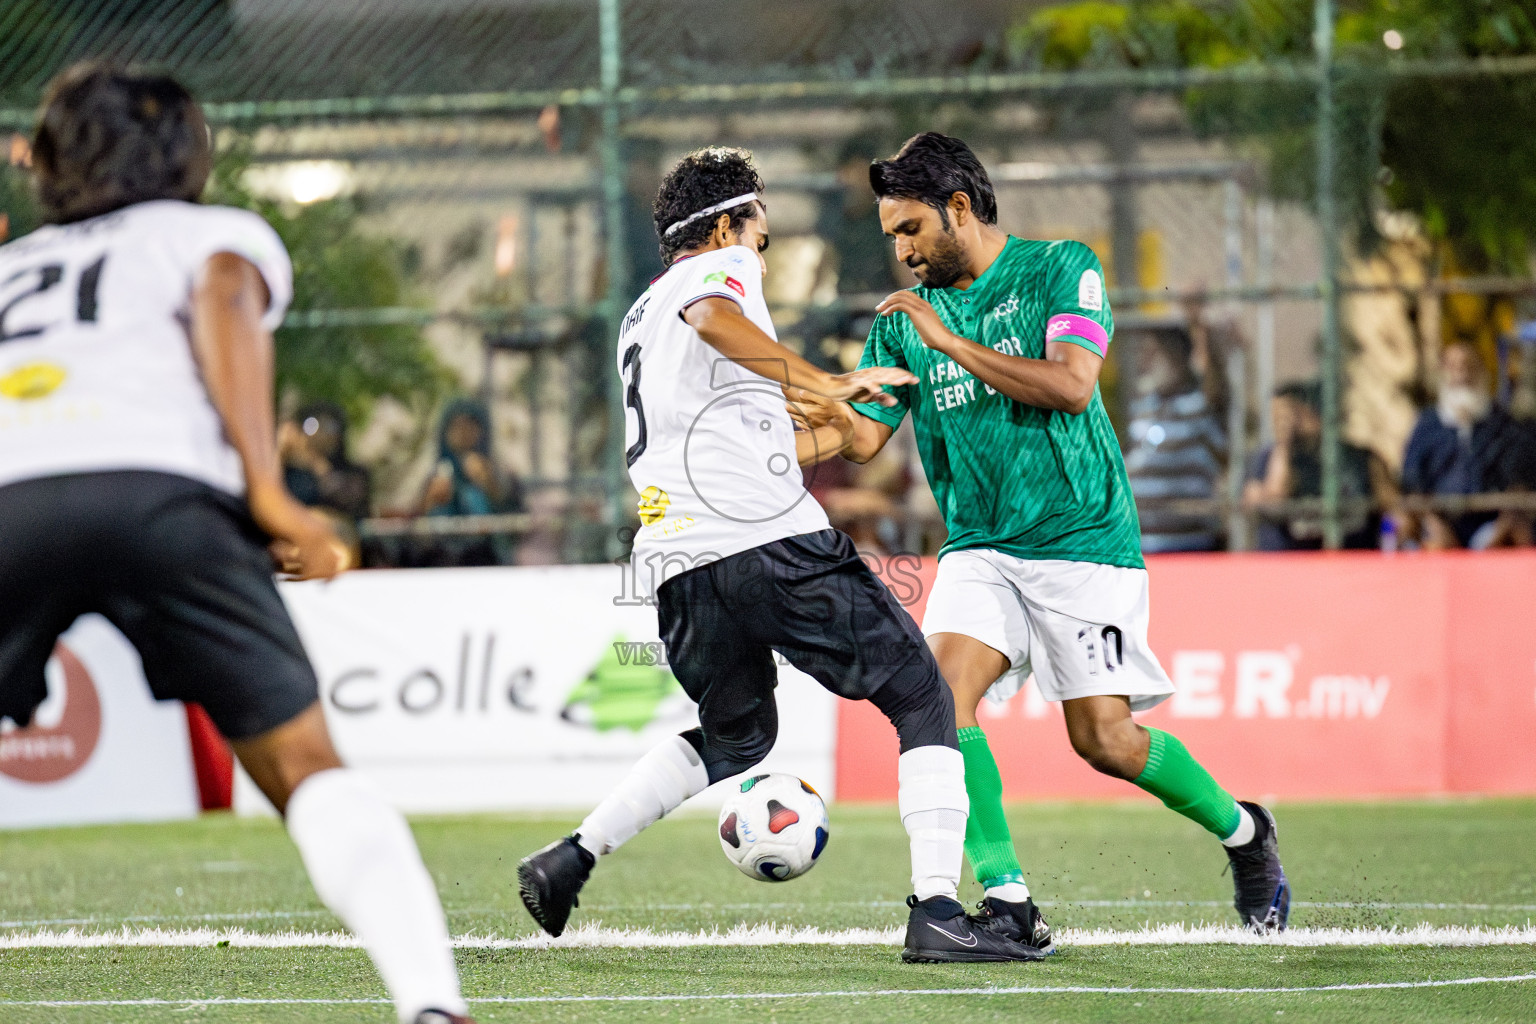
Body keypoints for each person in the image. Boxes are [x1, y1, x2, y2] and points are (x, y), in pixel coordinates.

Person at [0, 65, 472, 1024]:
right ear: (186, 152)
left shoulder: (14, 267)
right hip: (161, 493)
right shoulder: (217, 235)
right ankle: (430, 1004)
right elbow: (221, 297)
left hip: (11, 496)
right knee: (307, 770)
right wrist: (270, 493)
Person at [515, 147, 1042, 964]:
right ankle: (938, 911)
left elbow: (732, 434)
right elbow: (717, 321)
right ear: (727, 224)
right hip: (767, 542)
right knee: (921, 696)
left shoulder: (637, 316)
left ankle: (572, 856)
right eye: (759, 231)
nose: (760, 248)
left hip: (674, 562)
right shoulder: (716, 275)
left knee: (738, 734)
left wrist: (827, 417)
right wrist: (825, 380)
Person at [789, 133, 1289, 946]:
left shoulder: (1063, 267)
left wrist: (949, 342)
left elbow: (1070, 383)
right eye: (891, 236)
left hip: (1083, 538)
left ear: (959, 208)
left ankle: (1245, 832)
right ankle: (1009, 903)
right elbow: (861, 439)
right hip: (980, 544)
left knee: (1105, 740)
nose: (901, 250)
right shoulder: (901, 324)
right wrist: (780, 435)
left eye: (910, 228)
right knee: (938, 698)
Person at [1399, 342, 1536, 549]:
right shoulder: (1427, 426)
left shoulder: (1506, 426)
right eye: (1453, 367)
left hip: (1492, 525)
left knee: (1516, 533)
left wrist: (1503, 526)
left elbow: (1522, 482)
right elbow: (1412, 483)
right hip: (1440, 524)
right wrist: (1433, 522)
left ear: (1482, 373)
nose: (1462, 374)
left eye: (1469, 366)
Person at [1243, 381, 1387, 550]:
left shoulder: (1360, 458)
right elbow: (1267, 500)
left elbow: (1393, 509)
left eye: (1295, 413)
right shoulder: (1268, 459)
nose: (1288, 422)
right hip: (1289, 562)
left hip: (1352, 561)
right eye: (1278, 417)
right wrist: (1284, 445)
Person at [1123, 323, 1227, 553]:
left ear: (1177, 358)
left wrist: (1199, 322)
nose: (1145, 361)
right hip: (1142, 544)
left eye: (1154, 352)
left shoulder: (1199, 405)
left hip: (1188, 545)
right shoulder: (1141, 406)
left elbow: (1218, 390)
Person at [280, 401, 372, 522]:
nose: (320, 434)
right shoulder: (290, 470)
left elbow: (348, 501)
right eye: (311, 425)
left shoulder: (354, 473)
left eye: (330, 427)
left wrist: (316, 464)